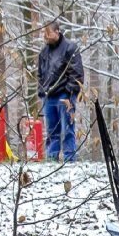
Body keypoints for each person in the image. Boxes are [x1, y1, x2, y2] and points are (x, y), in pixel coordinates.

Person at [37, 21, 84, 162]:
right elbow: (40, 74)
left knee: (67, 129)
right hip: (49, 96)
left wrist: (70, 93)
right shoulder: (44, 52)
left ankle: (69, 159)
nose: (46, 37)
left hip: (65, 94)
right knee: (52, 131)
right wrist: (42, 91)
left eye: (48, 34)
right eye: (44, 34)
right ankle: (52, 158)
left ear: (57, 31)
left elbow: (77, 74)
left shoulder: (70, 48)